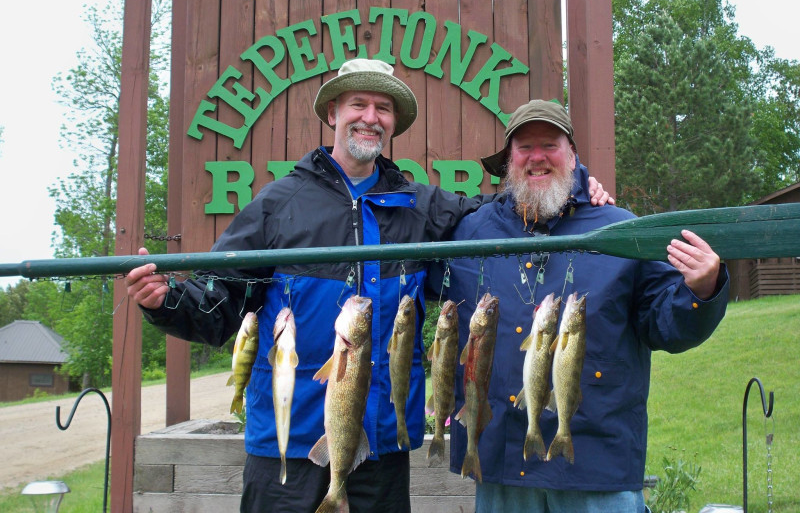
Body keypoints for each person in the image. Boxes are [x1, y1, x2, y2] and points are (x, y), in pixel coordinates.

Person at [125, 61, 611, 513]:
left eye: (383, 109)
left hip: (380, 447)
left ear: (393, 124)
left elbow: (509, 206)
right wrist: (166, 300)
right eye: (358, 105)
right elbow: (221, 302)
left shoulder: (420, 206)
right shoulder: (277, 205)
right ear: (333, 113)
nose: (370, 118)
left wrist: (579, 183)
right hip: (287, 446)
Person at [441, 99, 729, 512]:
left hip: (597, 470)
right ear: (508, 161)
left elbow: (667, 324)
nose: (537, 157)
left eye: (550, 145)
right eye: (524, 147)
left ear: (573, 155)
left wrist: (703, 290)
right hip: (502, 468)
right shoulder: (470, 233)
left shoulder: (621, 231)